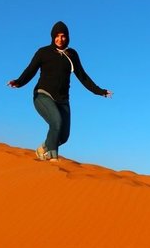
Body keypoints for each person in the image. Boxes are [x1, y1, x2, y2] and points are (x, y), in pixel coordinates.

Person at [7, 21, 112, 162]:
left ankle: (43, 148)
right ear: (52, 37)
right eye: (57, 36)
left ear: (67, 37)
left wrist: (100, 91)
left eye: (63, 36)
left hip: (63, 100)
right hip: (43, 95)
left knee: (63, 136)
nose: (60, 39)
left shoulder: (72, 54)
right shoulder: (43, 52)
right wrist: (19, 82)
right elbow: (30, 70)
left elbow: (83, 76)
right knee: (56, 122)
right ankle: (52, 160)